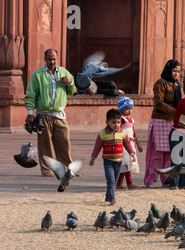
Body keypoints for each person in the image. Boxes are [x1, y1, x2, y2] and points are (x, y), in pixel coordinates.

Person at [24, 49, 77, 177]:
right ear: (45, 59)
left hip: (59, 114)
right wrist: (30, 113)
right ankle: (47, 169)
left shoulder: (64, 72)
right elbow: (31, 95)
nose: (52, 62)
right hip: (43, 114)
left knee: (64, 142)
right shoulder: (37, 74)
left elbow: (72, 90)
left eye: (54, 59)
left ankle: (68, 168)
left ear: (57, 59)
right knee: (45, 143)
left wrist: (70, 82)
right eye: (49, 59)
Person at [144, 59, 182, 188]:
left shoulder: (177, 84)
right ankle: (151, 180)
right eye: (174, 71)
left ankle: (166, 180)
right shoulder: (160, 83)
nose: (176, 74)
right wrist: (175, 111)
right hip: (160, 120)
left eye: (178, 71)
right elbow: (158, 102)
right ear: (168, 70)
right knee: (157, 154)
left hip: (172, 121)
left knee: (168, 153)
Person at [89, 109, 136, 206]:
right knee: (111, 180)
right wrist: (93, 158)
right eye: (113, 122)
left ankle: (108, 196)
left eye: (118, 122)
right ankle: (112, 198)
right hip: (108, 162)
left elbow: (127, 143)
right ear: (107, 122)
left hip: (119, 162)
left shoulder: (122, 133)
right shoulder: (102, 134)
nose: (116, 125)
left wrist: (131, 152)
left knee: (114, 181)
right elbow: (97, 147)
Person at [116, 97, 143, 190]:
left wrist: (138, 143)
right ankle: (129, 183)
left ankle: (119, 183)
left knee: (127, 163)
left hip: (131, 143)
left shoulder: (131, 120)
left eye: (131, 108)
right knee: (126, 163)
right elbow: (117, 130)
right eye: (127, 109)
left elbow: (133, 132)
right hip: (123, 144)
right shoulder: (121, 119)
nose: (130, 111)